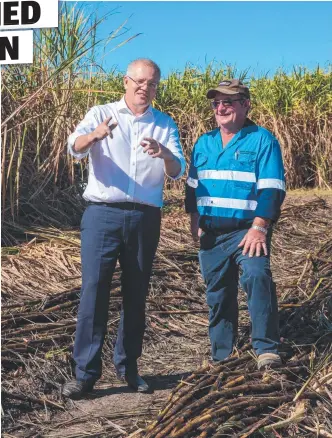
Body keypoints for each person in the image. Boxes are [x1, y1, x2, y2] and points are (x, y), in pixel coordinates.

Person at [62, 59, 186, 399]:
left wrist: (164, 154)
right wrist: (95, 135)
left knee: (136, 293)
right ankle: (85, 374)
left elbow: (178, 170)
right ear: (126, 81)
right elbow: (73, 147)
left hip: (145, 217)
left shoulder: (164, 123)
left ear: (157, 87)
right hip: (103, 214)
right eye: (139, 81)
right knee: (94, 291)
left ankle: (129, 368)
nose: (144, 88)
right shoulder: (101, 112)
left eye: (152, 83)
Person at [185, 79, 286, 370]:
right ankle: (222, 354)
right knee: (218, 293)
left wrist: (260, 227)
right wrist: (195, 222)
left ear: (245, 104)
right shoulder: (204, 142)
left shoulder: (262, 140)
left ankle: (266, 348)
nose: (220, 108)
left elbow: (272, 188)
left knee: (256, 277)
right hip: (211, 233)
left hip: (248, 230)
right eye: (216, 103)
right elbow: (192, 188)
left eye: (228, 102)